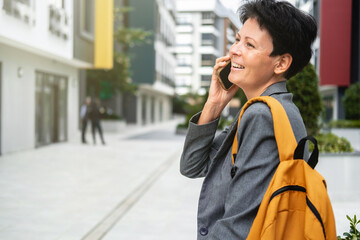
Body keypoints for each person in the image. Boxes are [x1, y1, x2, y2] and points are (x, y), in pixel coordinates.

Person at [179, 0, 317, 239]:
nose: (234, 50)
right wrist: (214, 104)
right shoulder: (268, 108)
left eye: (250, 45)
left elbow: (238, 227)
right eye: (237, 39)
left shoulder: (262, 116)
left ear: (281, 63)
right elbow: (193, 165)